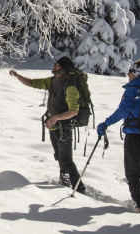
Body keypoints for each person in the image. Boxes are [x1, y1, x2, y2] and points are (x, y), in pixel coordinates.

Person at [9, 56, 86, 193]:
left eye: (56, 64)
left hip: (65, 127)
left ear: (63, 68)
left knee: (66, 159)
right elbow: (33, 83)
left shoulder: (70, 86)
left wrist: (56, 118)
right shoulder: (53, 81)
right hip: (54, 126)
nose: (54, 65)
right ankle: (65, 180)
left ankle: (79, 188)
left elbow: (73, 111)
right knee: (59, 155)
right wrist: (18, 76)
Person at [96, 59, 140, 215]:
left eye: (129, 73)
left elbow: (123, 111)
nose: (128, 76)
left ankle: (139, 205)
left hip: (134, 135)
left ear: (135, 73)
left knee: (133, 172)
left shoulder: (132, 90)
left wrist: (106, 124)